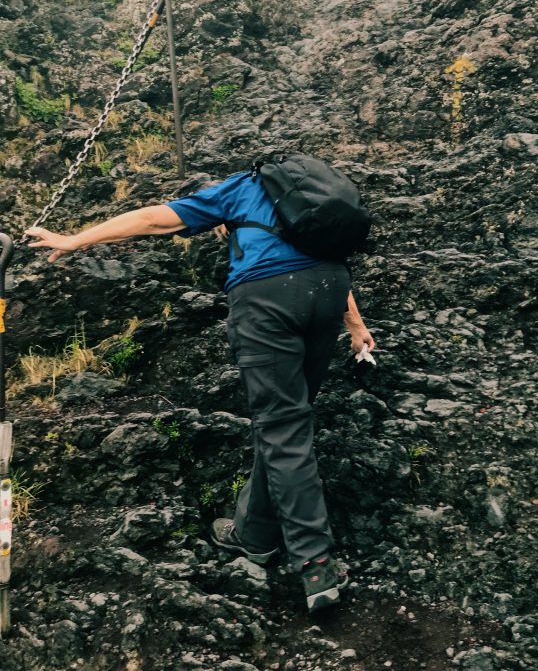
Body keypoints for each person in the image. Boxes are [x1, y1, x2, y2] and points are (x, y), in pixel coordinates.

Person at [25, 168, 375, 612]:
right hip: (328, 291)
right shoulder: (314, 201)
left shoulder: (244, 186)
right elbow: (327, 257)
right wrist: (356, 323)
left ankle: (315, 563)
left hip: (269, 298)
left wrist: (76, 240)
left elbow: (156, 218)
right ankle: (254, 535)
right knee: (286, 420)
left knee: (283, 427)